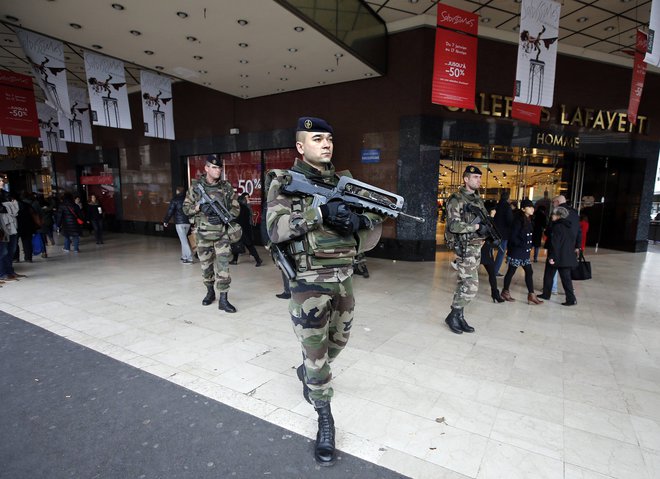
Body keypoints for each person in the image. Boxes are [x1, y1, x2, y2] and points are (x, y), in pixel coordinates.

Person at [265, 116, 384, 466]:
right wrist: (318, 214)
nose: (327, 144)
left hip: (343, 276)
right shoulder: (285, 182)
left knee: (340, 340)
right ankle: (325, 418)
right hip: (308, 282)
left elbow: (375, 219)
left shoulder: (345, 182)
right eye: (317, 138)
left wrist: (359, 221)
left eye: (329, 138)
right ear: (301, 146)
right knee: (316, 354)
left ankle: (310, 371)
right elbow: (275, 230)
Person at [183, 156, 242, 313]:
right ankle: (210, 292)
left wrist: (227, 216)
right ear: (206, 169)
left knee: (224, 267)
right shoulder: (196, 188)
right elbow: (186, 208)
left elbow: (236, 207)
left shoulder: (226, 187)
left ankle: (223, 299)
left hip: (222, 234)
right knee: (206, 266)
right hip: (203, 235)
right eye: (214, 168)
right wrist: (199, 208)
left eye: (220, 168)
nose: (218, 171)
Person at [444, 165, 490, 334]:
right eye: (475, 177)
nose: (479, 180)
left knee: (463, 283)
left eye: (479, 177)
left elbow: (485, 221)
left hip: (476, 246)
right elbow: (454, 225)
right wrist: (476, 226)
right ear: (466, 179)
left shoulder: (477, 199)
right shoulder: (455, 199)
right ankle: (453, 315)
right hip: (464, 247)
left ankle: (458, 317)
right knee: (471, 286)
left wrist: (485, 234)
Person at [500, 199, 543, 304]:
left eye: (533, 207)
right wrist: (521, 245)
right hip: (517, 252)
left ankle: (531, 295)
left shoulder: (528, 219)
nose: (532, 209)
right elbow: (513, 237)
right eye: (529, 207)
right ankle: (505, 292)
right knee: (511, 271)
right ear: (523, 209)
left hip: (524, 252)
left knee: (529, 271)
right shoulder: (518, 220)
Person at [539, 206, 578, 305]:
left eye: (553, 214)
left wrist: (552, 257)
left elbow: (555, 244)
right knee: (566, 279)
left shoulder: (557, 227)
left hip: (558, 256)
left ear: (558, 216)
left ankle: (547, 294)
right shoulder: (569, 226)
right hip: (566, 256)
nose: (552, 216)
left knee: (549, 275)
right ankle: (570, 299)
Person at [229, 192, 263, 267]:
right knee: (247, 245)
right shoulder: (246, 209)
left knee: (237, 244)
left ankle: (257, 259)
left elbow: (236, 219)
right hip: (245, 229)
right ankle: (257, 259)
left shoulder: (237, 209)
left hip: (240, 229)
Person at [480, 201, 504, 303]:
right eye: (494, 209)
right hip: (481, 250)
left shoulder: (489, 220)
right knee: (491, 274)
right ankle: (495, 294)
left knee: (492, 273)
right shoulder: (485, 220)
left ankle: (495, 294)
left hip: (486, 251)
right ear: (490, 210)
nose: (495, 211)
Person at [163, 186, 193, 264]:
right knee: (183, 240)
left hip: (179, 223)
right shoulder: (188, 199)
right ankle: (184, 257)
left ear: (177, 191)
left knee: (184, 241)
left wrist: (166, 221)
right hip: (188, 223)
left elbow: (170, 211)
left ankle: (189, 258)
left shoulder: (175, 199)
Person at [0, 174, 20, 282]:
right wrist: (9, 206)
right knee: (3, 251)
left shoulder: (6, 194)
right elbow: (7, 208)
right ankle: (2, 273)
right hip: (2, 226)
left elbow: (15, 207)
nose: (2, 182)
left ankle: (9, 271)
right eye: (0, 181)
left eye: (2, 180)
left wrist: (7, 206)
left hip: (11, 225)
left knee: (12, 249)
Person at [493, 190, 513, 276]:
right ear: (508, 197)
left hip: (495, 231)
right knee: (501, 252)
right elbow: (509, 220)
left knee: (490, 250)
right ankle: (495, 270)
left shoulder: (497, 205)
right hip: (504, 233)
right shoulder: (507, 206)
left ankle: (492, 269)